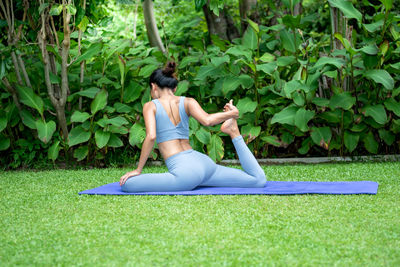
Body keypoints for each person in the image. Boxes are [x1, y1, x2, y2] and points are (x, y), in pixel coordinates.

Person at [119, 61, 266, 192]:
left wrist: (138, 170)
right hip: (204, 164)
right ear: (175, 88)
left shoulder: (150, 106)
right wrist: (231, 114)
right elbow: (208, 120)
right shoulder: (188, 101)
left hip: (185, 174)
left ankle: (232, 129)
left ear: (153, 86)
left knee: (128, 184)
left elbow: (151, 136)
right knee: (258, 180)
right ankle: (233, 131)